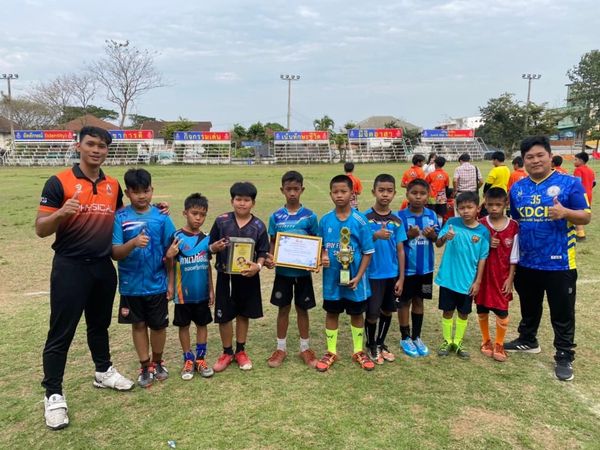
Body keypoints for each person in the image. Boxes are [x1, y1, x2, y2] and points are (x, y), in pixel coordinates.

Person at [36, 126, 134, 430]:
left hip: (103, 267)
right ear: (78, 146)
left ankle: (103, 371)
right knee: (61, 332)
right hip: (70, 267)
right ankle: (53, 394)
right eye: (91, 144)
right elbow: (41, 228)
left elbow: (121, 219)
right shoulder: (59, 182)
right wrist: (61, 213)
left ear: (107, 151)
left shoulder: (113, 185)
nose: (96, 150)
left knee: (99, 325)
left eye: (102, 146)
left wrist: (149, 210)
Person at [506, 136, 591, 382]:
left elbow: (585, 216)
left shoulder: (570, 183)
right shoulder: (517, 188)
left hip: (559, 262)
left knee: (562, 311)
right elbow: (515, 221)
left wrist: (565, 212)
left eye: (540, 155)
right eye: (529, 157)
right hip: (527, 261)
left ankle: (564, 354)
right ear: (523, 161)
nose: (535, 160)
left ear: (550, 156)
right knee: (529, 305)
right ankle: (528, 339)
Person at [112, 168, 176, 388]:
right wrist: (132, 243)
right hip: (131, 285)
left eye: (146, 191)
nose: (142, 196)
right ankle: (144, 365)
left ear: (152, 190)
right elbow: (115, 252)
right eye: (136, 191)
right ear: (127, 193)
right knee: (138, 325)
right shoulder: (120, 217)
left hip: (157, 284)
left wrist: (170, 282)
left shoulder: (162, 217)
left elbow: (172, 251)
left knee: (158, 326)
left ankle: (158, 362)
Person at [316, 175, 375, 372]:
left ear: (352, 193)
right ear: (330, 194)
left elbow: (368, 252)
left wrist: (359, 276)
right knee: (332, 312)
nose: (339, 195)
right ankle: (331, 351)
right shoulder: (325, 220)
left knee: (356, 314)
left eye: (344, 191)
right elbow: (320, 246)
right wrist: (323, 256)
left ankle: (358, 350)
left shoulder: (360, 220)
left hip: (355, 280)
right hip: (332, 280)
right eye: (335, 192)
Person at [209, 182, 269, 372]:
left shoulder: (258, 225)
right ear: (232, 200)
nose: (242, 203)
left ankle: (240, 350)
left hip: (248, 276)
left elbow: (263, 251)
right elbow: (210, 245)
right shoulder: (222, 221)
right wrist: (214, 248)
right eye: (238, 199)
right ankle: (227, 352)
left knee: (243, 313)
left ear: (253, 203)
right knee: (224, 315)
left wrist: (258, 266)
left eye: (246, 200)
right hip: (225, 275)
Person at [265, 171, 319, 368]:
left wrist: (316, 259)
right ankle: (281, 348)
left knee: (302, 309)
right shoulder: (275, 216)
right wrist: (271, 257)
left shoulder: (310, 216)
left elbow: (316, 242)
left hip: (303, 273)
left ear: (302, 190)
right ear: (282, 190)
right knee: (283, 308)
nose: (293, 193)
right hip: (283, 273)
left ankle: (305, 348)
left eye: (296, 189)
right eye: (289, 189)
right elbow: (273, 241)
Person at [166, 193, 216, 380]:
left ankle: (200, 359)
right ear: (185, 213)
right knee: (184, 325)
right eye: (194, 213)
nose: (198, 218)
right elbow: (170, 264)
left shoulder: (206, 238)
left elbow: (207, 265)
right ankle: (188, 359)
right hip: (182, 294)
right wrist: (170, 286)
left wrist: (211, 289)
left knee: (202, 324)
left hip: (201, 293)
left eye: (202, 215)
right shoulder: (177, 236)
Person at [435, 191, 490, 359]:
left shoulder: (483, 232)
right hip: (448, 279)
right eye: (462, 208)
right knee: (447, 311)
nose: (465, 211)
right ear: (457, 209)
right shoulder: (451, 223)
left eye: (469, 207)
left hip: (467, 281)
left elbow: (483, 258)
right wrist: (445, 237)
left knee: (463, 313)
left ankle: (458, 341)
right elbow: (438, 243)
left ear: (477, 208)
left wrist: (478, 281)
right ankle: (447, 341)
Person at [364, 174, 406, 364]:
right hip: (372, 274)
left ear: (395, 193)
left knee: (388, 310)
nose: (385, 194)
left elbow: (400, 250)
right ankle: (371, 344)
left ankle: (381, 342)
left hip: (391, 274)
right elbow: (360, 245)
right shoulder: (365, 218)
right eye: (381, 190)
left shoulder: (397, 221)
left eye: (389, 191)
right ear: (374, 192)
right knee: (372, 313)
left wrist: (401, 278)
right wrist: (375, 235)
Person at [476, 188, 519, 362]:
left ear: (506, 204)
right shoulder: (480, 224)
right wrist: (485, 245)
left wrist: (510, 278)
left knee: (502, 311)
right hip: (483, 276)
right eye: (490, 204)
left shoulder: (514, 226)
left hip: (502, 277)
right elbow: (473, 250)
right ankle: (485, 340)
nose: (494, 208)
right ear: (485, 204)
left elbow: (515, 255)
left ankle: (499, 343)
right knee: (481, 307)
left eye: (498, 205)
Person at [397, 179, 439, 357]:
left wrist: (433, 235)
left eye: (422, 193)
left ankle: (417, 336)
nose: (418, 197)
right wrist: (408, 235)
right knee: (404, 302)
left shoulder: (432, 215)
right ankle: (405, 337)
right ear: (407, 194)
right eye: (414, 193)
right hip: (406, 270)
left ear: (428, 195)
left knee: (420, 300)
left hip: (426, 270)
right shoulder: (399, 216)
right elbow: (395, 242)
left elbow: (437, 240)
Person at [573, 151, 596, 241]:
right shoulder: (590, 170)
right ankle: (577, 231)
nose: (574, 161)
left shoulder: (578, 170)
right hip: (589, 194)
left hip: (580, 194)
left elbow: (577, 183)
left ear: (581, 161)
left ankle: (581, 235)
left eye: (576, 160)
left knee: (578, 213)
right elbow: (594, 183)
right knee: (583, 212)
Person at [425, 156, 450, 222]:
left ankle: (432, 226)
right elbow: (446, 186)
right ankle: (439, 226)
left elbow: (425, 185)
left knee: (431, 213)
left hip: (432, 197)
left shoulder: (430, 175)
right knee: (440, 214)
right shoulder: (446, 174)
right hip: (442, 198)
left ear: (435, 164)